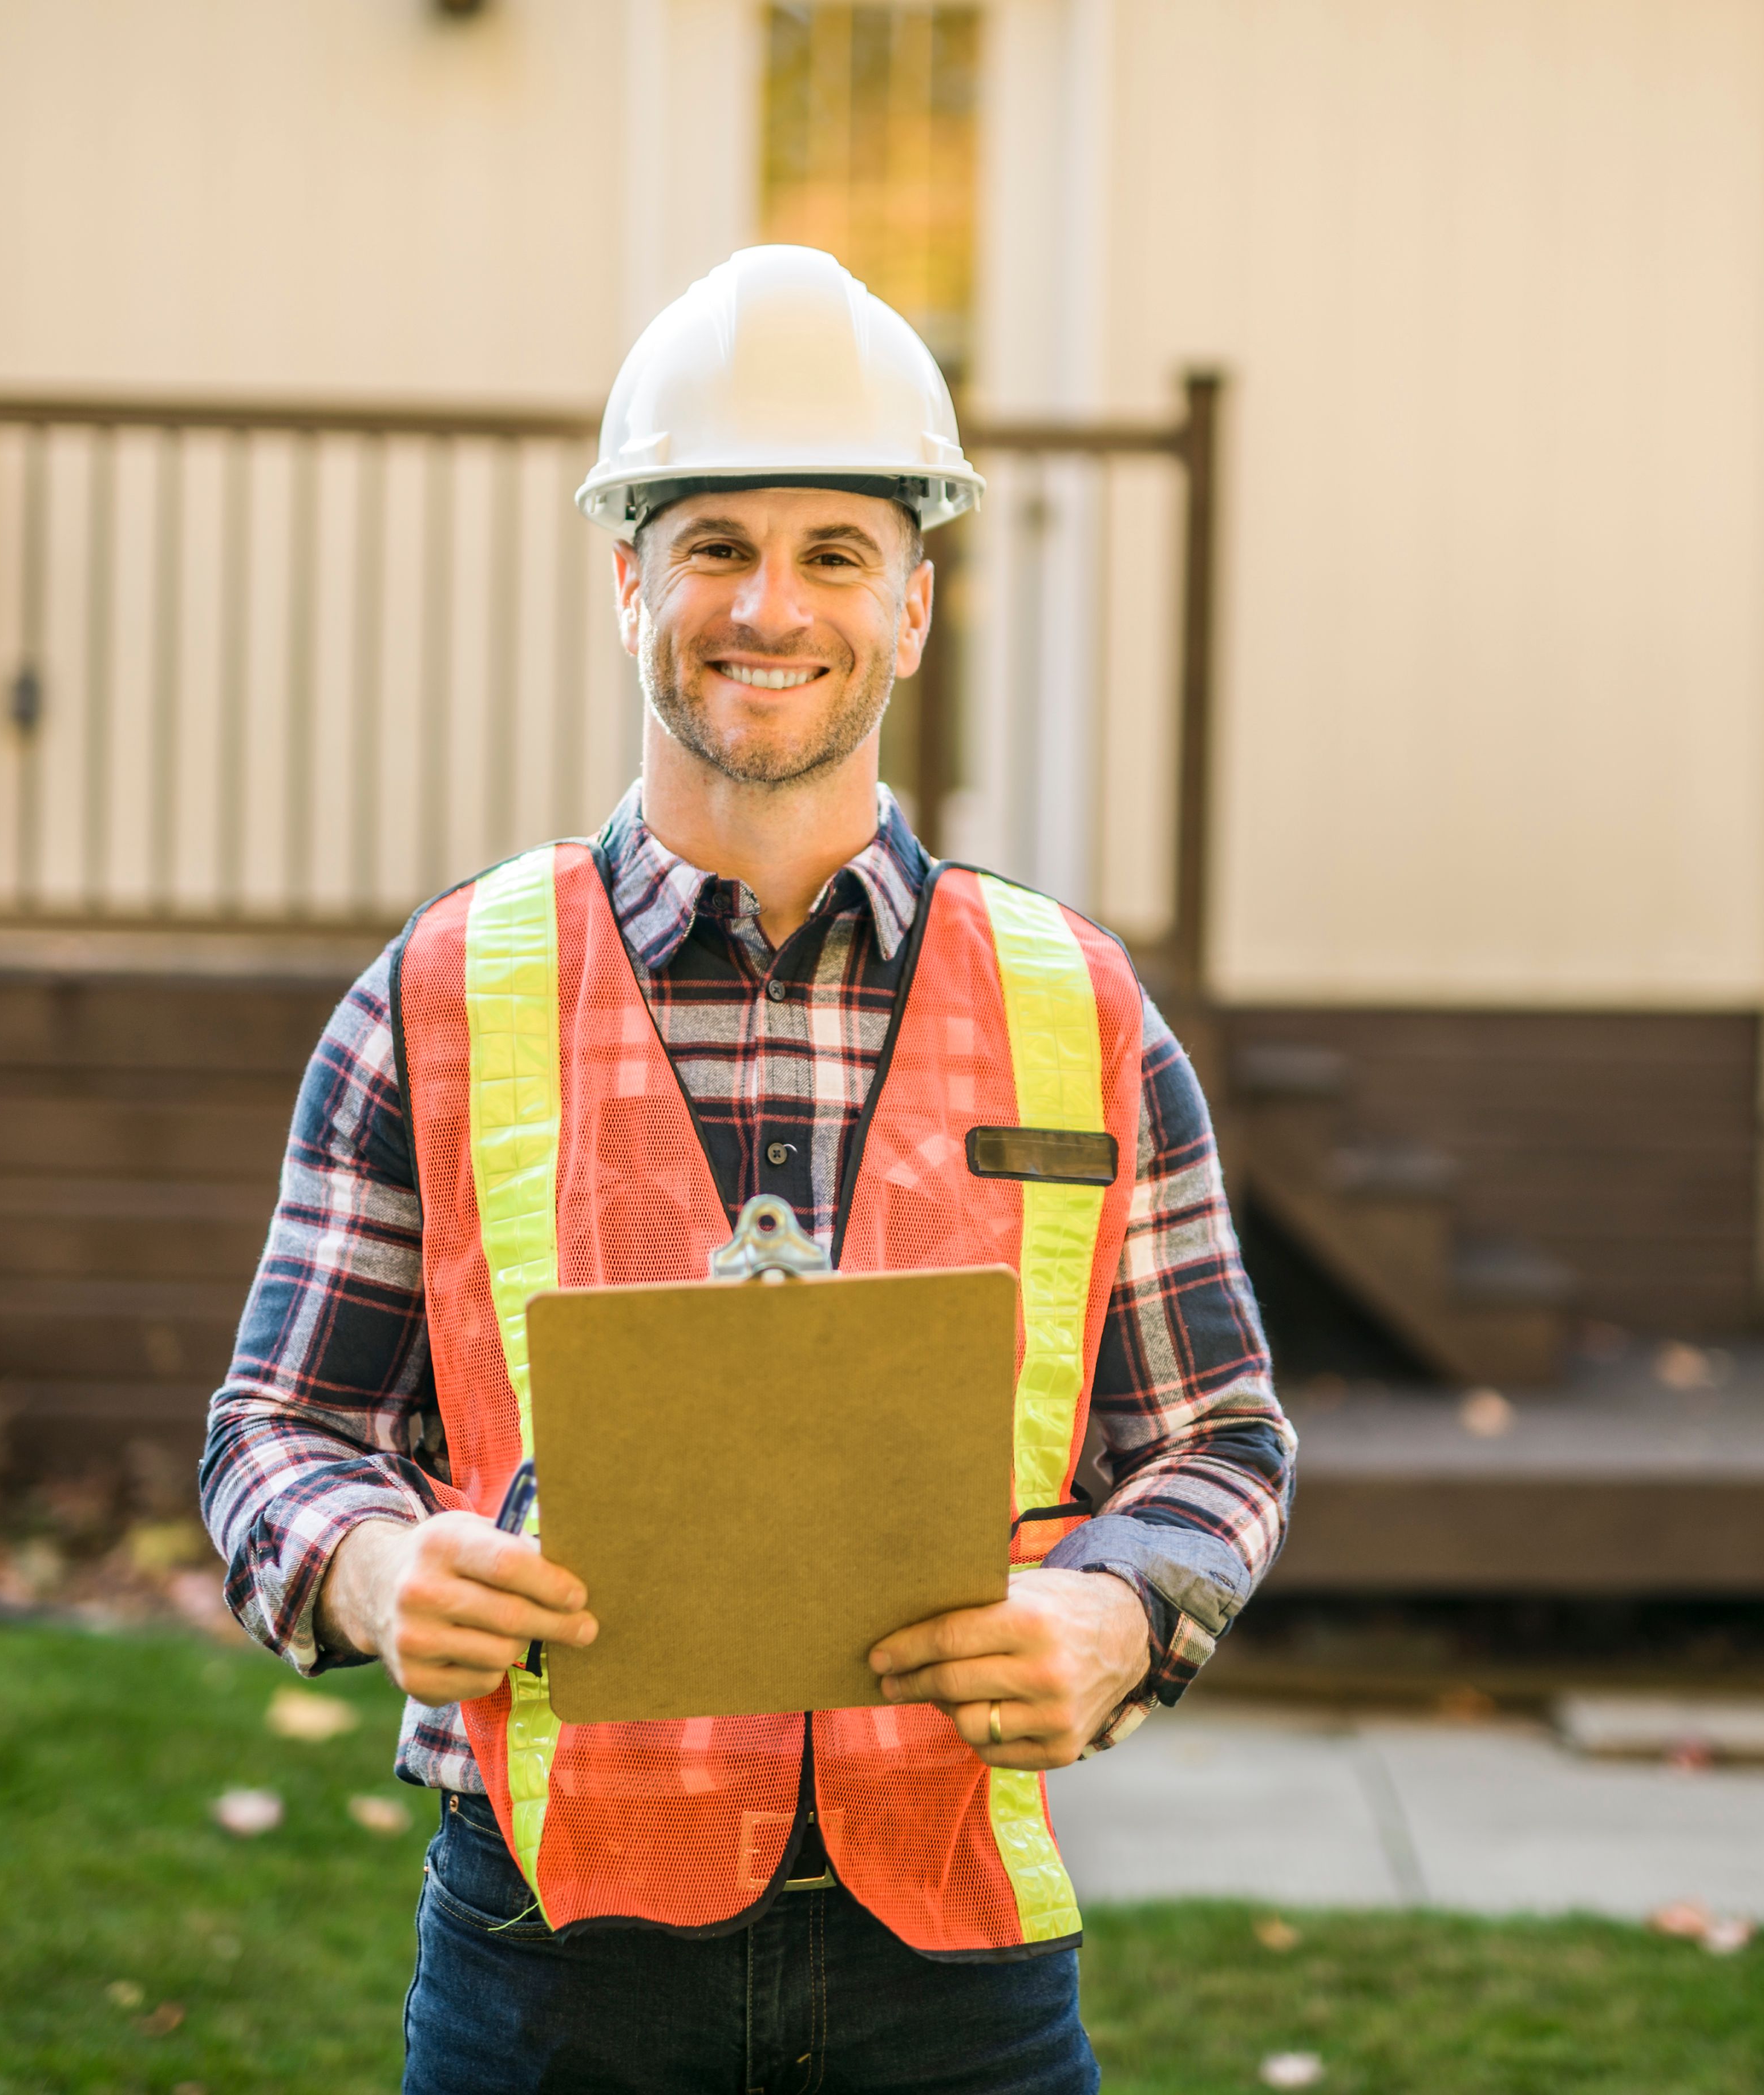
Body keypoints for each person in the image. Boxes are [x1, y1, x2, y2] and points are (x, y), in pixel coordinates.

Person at [200, 244, 1293, 2094]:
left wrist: (1113, 1614)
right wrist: (375, 1569)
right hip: (554, 1948)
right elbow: (271, 1429)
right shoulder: (446, 992)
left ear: (916, 607)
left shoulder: (1077, 1007)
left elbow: (1218, 1439)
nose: (768, 605)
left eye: (834, 553)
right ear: (627, 582)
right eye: (714, 543)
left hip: (953, 1939)